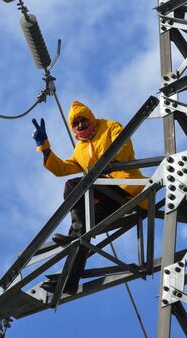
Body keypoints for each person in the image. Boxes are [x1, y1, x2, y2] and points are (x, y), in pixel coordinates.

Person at [32, 100, 146, 294]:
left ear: (91, 119)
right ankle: (69, 280)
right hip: (105, 196)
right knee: (82, 231)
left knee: (74, 186)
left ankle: (74, 237)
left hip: (125, 187)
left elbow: (124, 145)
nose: (79, 126)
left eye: (83, 121)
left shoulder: (110, 126)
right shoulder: (80, 150)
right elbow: (62, 169)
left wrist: (111, 159)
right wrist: (45, 148)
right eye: (75, 124)